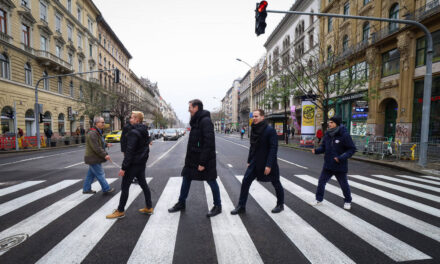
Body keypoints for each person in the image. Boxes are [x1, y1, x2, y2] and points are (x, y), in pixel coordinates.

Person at [168, 99, 222, 217]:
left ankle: (218, 206)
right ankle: (181, 202)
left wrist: (202, 162)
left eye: (190, 107)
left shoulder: (205, 121)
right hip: (193, 159)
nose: (188, 109)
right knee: (186, 178)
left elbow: (209, 143)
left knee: (211, 181)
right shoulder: (196, 120)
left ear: (196, 107)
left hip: (204, 160)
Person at [231, 109, 284, 215]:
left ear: (262, 117)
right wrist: (249, 160)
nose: (254, 118)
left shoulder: (270, 130)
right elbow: (252, 146)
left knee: (276, 183)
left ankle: (280, 204)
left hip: (268, 162)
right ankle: (241, 206)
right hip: (255, 161)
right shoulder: (254, 129)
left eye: (256, 116)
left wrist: (268, 165)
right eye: (253, 116)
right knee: (245, 181)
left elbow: (273, 149)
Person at [107, 111, 153, 219]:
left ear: (137, 119)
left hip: (133, 164)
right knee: (143, 184)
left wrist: (124, 167)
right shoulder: (144, 130)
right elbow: (145, 147)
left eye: (132, 118)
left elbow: (130, 152)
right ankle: (149, 207)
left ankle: (120, 210)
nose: (130, 120)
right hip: (141, 163)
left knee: (125, 187)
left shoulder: (133, 132)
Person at [311, 116, 356, 210]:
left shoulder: (344, 135)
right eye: (329, 122)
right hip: (328, 164)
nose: (329, 124)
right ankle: (319, 199)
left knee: (344, 185)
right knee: (321, 182)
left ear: (337, 123)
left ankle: (348, 201)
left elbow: (352, 149)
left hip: (340, 165)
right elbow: (323, 147)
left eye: (331, 122)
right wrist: (316, 151)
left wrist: (341, 158)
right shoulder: (327, 134)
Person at [83, 116, 115, 194]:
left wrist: (106, 144)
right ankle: (106, 189)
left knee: (91, 175)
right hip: (93, 157)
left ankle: (86, 189)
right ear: (97, 123)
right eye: (102, 122)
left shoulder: (97, 132)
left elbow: (100, 142)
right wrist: (105, 155)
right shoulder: (92, 133)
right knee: (100, 174)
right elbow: (96, 147)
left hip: (94, 157)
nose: (104, 124)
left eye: (104, 122)